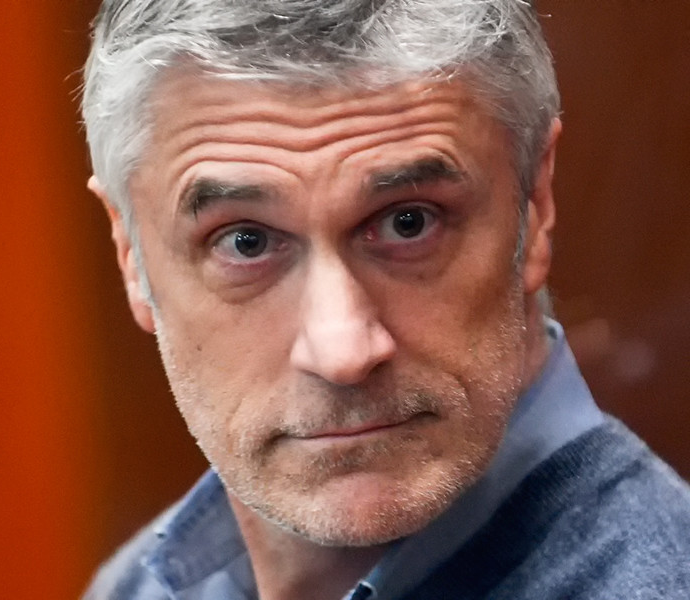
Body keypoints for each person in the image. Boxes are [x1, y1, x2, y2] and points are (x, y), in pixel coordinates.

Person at [79, 1, 690, 598]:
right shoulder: (135, 587)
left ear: (534, 205)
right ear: (130, 254)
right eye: (247, 241)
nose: (343, 352)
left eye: (408, 222)